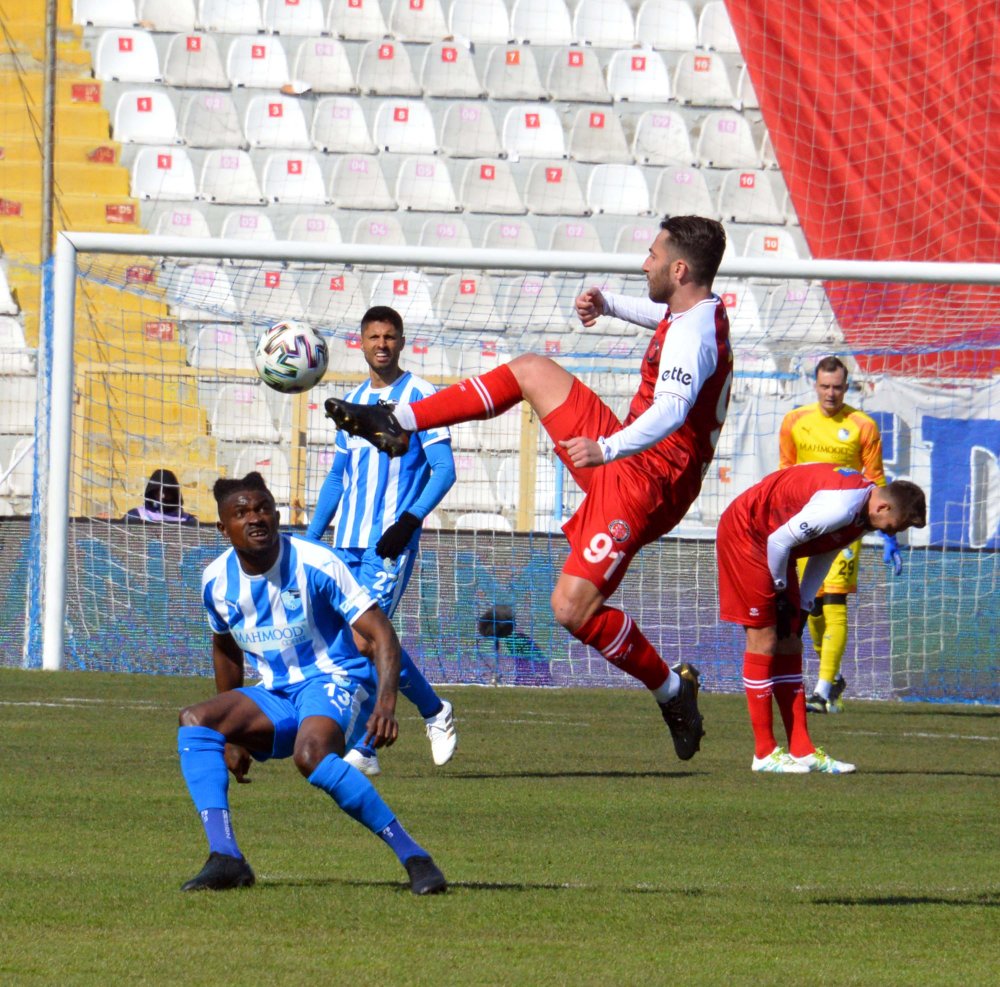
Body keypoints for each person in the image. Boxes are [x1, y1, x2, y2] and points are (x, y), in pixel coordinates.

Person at [325, 215, 732, 761]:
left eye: (654, 255)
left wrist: (607, 449)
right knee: (531, 369)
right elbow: (665, 317)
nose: (645, 263)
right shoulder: (696, 310)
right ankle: (398, 419)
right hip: (632, 456)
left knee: (570, 609)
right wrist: (610, 305)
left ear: (679, 268)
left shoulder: (693, 336)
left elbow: (672, 408)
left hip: (649, 482)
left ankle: (671, 690)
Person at [176, 471, 447, 894]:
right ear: (222, 527)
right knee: (196, 721)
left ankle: (415, 856)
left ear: (277, 514)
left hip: (337, 678)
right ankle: (226, 857)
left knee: (310, 755)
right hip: (277, 694)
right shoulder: (215, 580)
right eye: (241, 512)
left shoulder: (316, 562)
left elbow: (381, 633)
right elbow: (225, 648)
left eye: (263, 508)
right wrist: (233, 737)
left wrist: (387, 704)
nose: (256, 518)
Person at [306, 306, 458, 777]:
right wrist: (311, 540)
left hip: (388, 541)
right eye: (374, 336)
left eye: (390, 336)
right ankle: (434, 711)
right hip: (344, 543)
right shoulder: (352, 400)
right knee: (360, 643)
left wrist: (408, 522)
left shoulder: (421, 396)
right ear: (362, 342)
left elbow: (445, 470)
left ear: (402, 340)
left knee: (365, 636)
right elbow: (337, 478)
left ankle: (365, 749)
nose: (382, 344)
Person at [716, 462, 926, 773]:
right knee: (765, 638)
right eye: (894, 526)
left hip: (775, 542)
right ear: (882, 506)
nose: (891, 532)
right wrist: (779, 588)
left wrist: (801, 606)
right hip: (748, 534)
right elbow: (778, 541)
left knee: (790, 641)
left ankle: (802, 749)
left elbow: (824, 552)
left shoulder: (861, 516)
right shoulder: (841, 506)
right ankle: (764, 753)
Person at [779, 356, 899, 713]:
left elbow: (876, 480)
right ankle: (832, 677)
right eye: (825, 386)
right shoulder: (795, 421)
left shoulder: (862, 425)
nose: (831, 393)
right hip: (806, 522)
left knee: (834, 602)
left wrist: (889, 534)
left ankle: (822, 689)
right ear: (815, 386)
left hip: (847, 526)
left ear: (847, 388)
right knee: (810, 605)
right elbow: (785, 471)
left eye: (837, 387)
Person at [123, 468, 197, 524]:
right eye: (159, 492)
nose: (163, 496)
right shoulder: (135, 516)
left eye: (167, 492)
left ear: (175, 494)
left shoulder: (188, 520)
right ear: (152, 493)